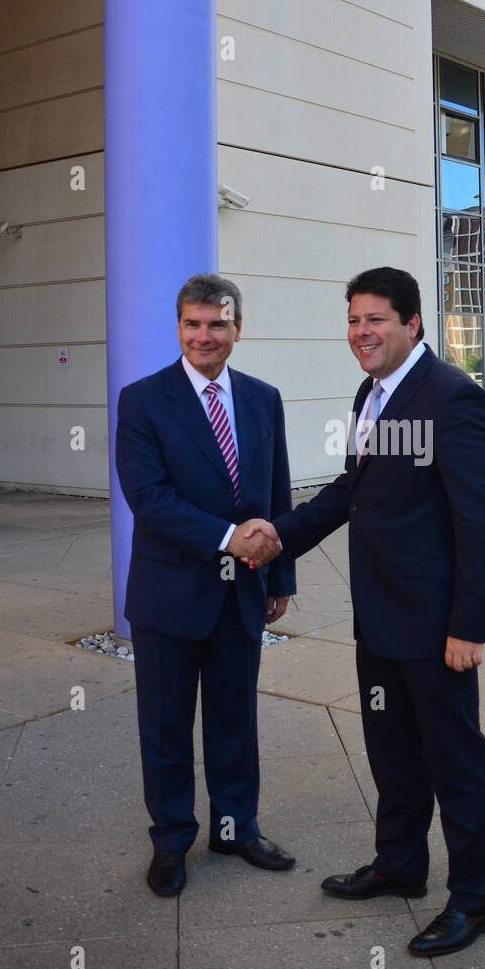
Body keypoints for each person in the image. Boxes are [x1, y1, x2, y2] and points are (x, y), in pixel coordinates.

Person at [246, 267, 485, 956]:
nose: (361, 332)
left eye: (376, 320)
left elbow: (478, 519)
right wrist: (279, 533)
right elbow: (350, 491)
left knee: (455, 761)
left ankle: (474, 900)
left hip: (434, 625)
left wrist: (469, 626)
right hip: (379, 615)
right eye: (354, 320)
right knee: (391, 752)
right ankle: (399, 865)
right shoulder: (371, 392)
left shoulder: (453, 397)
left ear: (412, 323)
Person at [116, 273, 296, 897]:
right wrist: (228, 538)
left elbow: (276, 492)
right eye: (193, 324)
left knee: (233, 719)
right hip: (170, 597)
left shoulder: (263, 398)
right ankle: (170, 842)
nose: (204, 335)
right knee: (165, 728)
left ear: (237, 329)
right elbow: (149, 498)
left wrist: (280, 573)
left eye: (217, 324)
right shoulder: (142, 400)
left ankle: (234, 828)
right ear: (178, 328)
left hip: (242, 593)